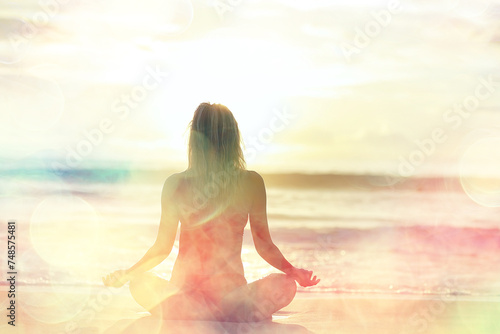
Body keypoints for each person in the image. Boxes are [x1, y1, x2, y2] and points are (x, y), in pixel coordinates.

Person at [103, 102, 320, 322]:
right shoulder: (249, 182)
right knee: (285, 284)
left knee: (140, 282)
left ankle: (192, 314)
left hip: (189, 297)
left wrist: (128, 274)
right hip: (228, 298)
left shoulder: (177, 184)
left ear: (194, 140)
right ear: (234, 139)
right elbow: (264, 245)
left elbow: (162, 248)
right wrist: (294, 272)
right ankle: (232, 314)